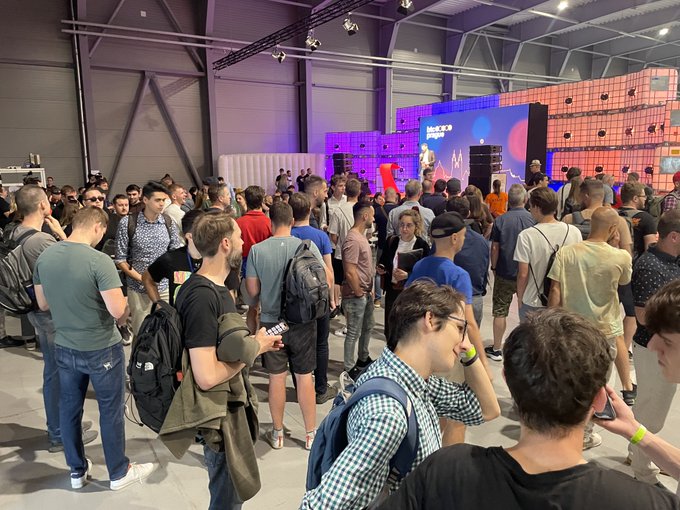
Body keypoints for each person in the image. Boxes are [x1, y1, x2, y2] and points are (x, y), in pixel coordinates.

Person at [378, 308, 679, 510]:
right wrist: (638, 434)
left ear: (510, 382)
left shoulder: (444, 470)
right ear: (600, 400)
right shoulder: (644, 502)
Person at [300, 280, 499, 510]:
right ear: (430, 319)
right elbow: (322, 505)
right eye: (460, 328)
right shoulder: (388, 413)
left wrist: (470, 355)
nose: (464, 342)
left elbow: (486, 409)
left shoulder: (416, 382)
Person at [34, 207, 154, 491]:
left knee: (69, 409)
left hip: (64, 346)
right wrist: (125, 307)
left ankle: (76, 471)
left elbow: (43, 304)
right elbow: (118, 311)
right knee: (110, 411)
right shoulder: (99, 261)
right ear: (98, 228)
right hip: (102, 348)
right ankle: (118, 472)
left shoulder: (45, 257)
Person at [173, 211, 282, 509]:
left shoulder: (216, 290)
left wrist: (256, 344)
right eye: (238, 237)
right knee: (226, 499)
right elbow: (206, 375)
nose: (243, 242)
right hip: (219, 418)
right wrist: (253, 350)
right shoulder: (202, 296)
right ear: (224, 243)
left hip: (228, 410)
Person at [548, 207, 633, 450]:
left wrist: (551, 323)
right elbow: (625, 280)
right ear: (614, 229)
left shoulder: (567, 253)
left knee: (569, 378)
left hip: (572, 329)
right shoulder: (621, 257)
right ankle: (584, 435)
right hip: (604, 332)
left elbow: (555, 290)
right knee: (597, 385)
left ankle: (563, 426)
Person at [246, 202, 324, 450]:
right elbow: (322, 280)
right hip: (302, 322)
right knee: (304, 377)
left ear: (271, 222)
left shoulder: (257, 251)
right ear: (292, 221)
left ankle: (278, 433)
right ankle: (310, 435)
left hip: (271, 323)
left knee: (276, 378)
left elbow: (252, 292)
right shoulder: (307, 246)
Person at [618, 210, 680, 488]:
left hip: (667, 348)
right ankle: (642, 470)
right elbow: (643, 316)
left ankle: (642, 456)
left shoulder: (671, 261)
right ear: (674, 236)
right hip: (653, 350)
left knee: (656, 408)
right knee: (650, 413)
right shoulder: (650, 266)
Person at [114, 181, 182, 340]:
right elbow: (120, 259)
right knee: (142, 333)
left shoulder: (168, 222)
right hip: (138, 288)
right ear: (145, 200)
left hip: (164, 287)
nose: (162, 204)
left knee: (167, 332)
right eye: (158, 200)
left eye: (164, 200)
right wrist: (143, 279)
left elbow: (175, 254)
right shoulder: (128, 223)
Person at [290, 192, 337, 404]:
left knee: (298, 345)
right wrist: (332, 298)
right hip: (319, 298)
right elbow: (329, 271)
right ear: (310, 211)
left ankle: (301, 387)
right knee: (321, 343)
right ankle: (320, 388)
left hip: (295, 300)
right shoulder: (320, 236)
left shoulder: (287, 236)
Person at [514, 187, 582, 320]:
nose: (530, 210)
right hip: (564, 300)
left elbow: (523, 274)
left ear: (537, 207)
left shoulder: (526, 235)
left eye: (531, 206)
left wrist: (520, 297)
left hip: (533, 300)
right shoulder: (574, 232)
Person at [486, 185, 535, 361]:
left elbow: (495, 247)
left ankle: (496, 348)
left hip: (504, 272)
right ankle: (527, 349)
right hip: (528, 274)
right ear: (525, 200)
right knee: (528, 312)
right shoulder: (533, 219)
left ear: (509, 200)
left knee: (500, 311)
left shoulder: (501, 220)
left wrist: (493, 267)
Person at [377, 209, 429, 341]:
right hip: (392, 290)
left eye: (409, 225)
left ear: (416, 226)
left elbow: (425, 272)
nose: (404, 229)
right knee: (390, 327)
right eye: (402, 225)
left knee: (407, 328)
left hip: (411, 293)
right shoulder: (392, 241)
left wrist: (408, 275)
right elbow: (384, 261)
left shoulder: (422, 245)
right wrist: (381, 268)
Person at [341, 202, 377, 379]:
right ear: (365, 216)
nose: (373, 218)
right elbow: (350, 271)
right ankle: (349, 367)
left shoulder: (360, 237)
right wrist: (358, 292)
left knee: (368, 326)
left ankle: (363, 358)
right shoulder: (353, 239)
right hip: (356, 294)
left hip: (364, 292)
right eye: (372, 215)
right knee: (353, 331)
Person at [445, 200, 490, 328]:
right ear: (469, 213)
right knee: (471, 338)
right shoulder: (481, 240)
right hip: (474, 296)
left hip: (449, 299)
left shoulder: (443, 241)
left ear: (446, 213)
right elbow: (484, 269)